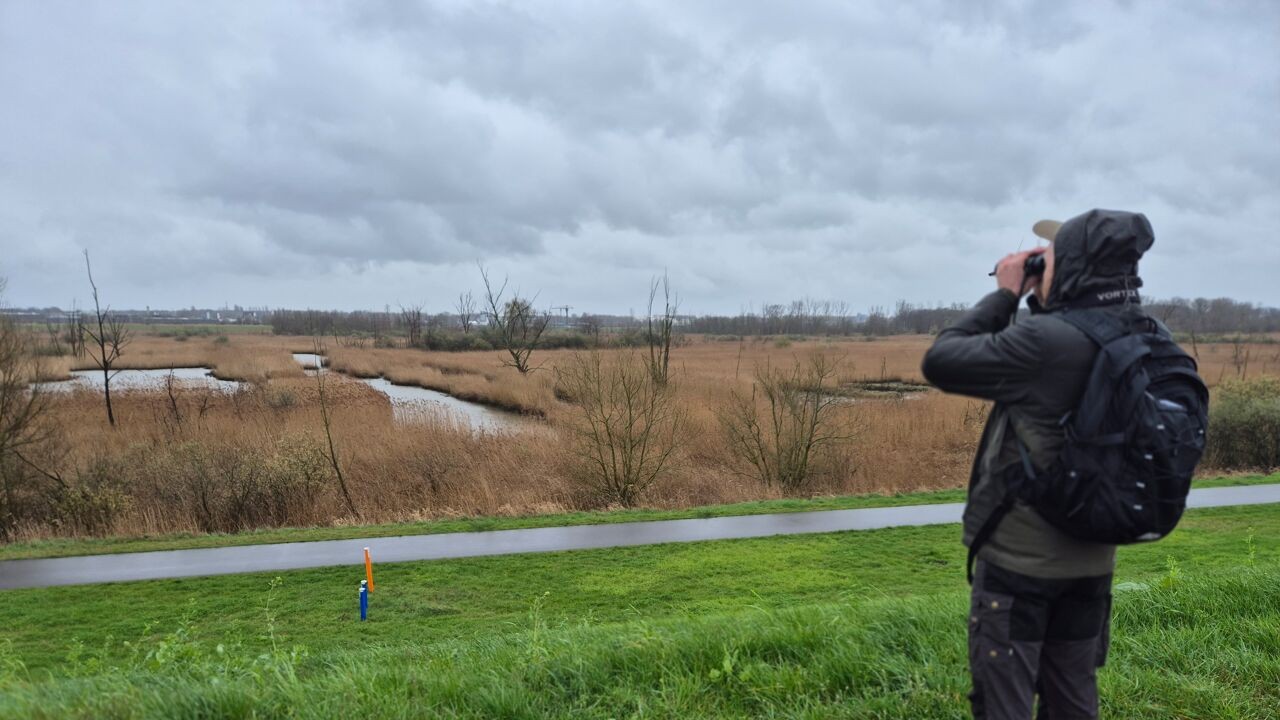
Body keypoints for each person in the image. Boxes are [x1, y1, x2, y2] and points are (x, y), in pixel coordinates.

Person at [921, 209, 1156, 719]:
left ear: (1070, 268)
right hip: (1094, 562)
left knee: (1002, 705)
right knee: (1073, 700)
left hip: (1020, 569)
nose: (1036, 267)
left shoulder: (1045, 344)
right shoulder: (1145, 335)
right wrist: (1044, 293)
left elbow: (941, 359)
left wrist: (1006, 293)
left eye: (1046, 259)